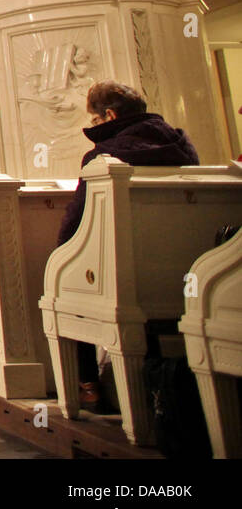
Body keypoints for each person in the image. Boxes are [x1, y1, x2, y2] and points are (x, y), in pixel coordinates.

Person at [55, 80, 199, 411]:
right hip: (185, 268)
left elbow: (76, 221)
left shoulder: (104, 156)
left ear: (109, 115)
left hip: (121, 268)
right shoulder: (182, 147)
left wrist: (60, 255)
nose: (93, 126)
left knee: (64, 281)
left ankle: (88, 384)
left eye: (94, 119)